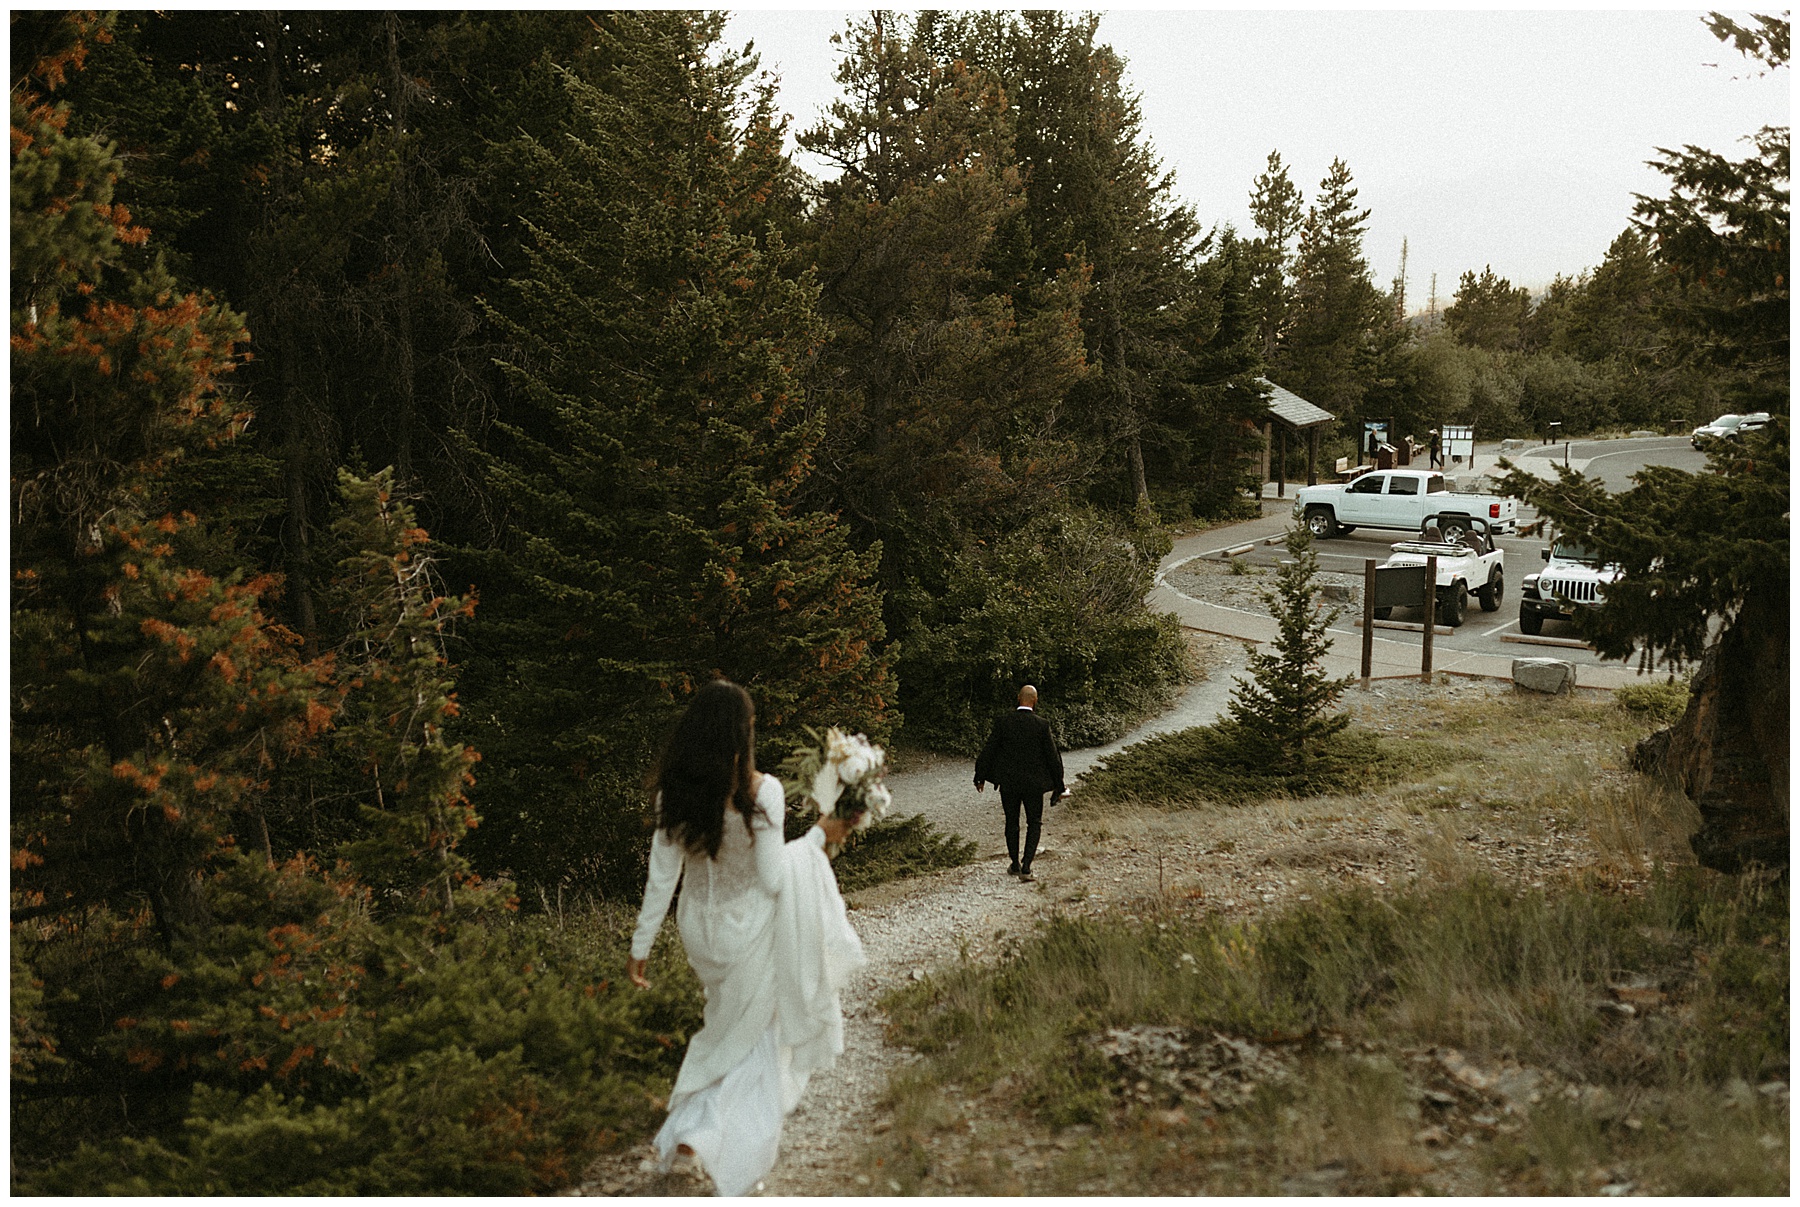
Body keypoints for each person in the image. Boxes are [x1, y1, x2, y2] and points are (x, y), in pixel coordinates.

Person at [627, 679, 864, 1196]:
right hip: (749, 930)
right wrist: (822, 835)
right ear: (744, 733)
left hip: (699, 931)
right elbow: (775, 879)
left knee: (722, 1029)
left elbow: (661, 877)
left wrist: (639, 948)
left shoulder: (677, 793)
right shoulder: (762, 792)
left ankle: (694, 1137)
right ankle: (712, 1146)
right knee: (753, 1042)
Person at [972, 684, 1066, 879]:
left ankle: (1014, 863)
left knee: (1011, 822)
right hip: (1033, 785)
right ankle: (1027, 866)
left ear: (1018, 698)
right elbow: (1053, 757)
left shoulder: (1004, 722)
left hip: (1009, 783)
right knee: (1034, 822)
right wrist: (1060, 785)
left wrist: (979, 776)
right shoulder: (1042, 725)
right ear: (1035, 700)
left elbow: (988, 750)